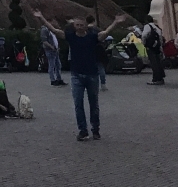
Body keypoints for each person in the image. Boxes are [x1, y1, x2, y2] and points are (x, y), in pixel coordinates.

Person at [34, 10, 126, 141]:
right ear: (74, 26)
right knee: (78, 104)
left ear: (85, 26)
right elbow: (54, 30)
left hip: (92, 74)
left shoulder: (92, 37)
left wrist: (116, 23)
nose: (79, 27)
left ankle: (95, 129)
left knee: (94, 104)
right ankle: (83, 130)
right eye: (77, 25)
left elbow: (105, 33)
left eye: (81, 25)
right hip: (76, 75)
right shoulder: (71, 36)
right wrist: (41, 17)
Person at [86, 16, 109, 91]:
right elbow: (104, 37)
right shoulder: (97, 29)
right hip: (98, 49)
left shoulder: (85, 29)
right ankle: (103, 84)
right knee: (100, 67)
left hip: (88, 50)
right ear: (94, 21)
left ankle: (88, 84)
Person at [141, 15, 165, 86]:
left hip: (150, 47)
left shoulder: (147, 26)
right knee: (158, 62)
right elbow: (160, 37)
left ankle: (156, 79)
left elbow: (144, 35)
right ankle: (161, 77)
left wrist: (144, 43)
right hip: (157, 47)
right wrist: (160, 46)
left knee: (153, 63)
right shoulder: (156, 27)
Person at [41, 21, 66, 86]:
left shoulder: (51, 30)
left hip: (55, 50)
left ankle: (59, 78)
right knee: (52, 65)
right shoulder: (44, 30)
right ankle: (53, 80)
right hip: (50, 50)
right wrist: (52, 47)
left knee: (58, 65)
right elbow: (44, 41)